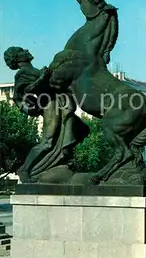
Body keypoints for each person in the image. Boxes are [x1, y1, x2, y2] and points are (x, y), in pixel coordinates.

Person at [4, 46, 88, 182]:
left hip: (58, 102)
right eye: (21, 51)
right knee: (47, 142)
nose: (26, 50)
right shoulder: (22, 73)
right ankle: (24, 170)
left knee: (82, 129)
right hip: (49, 104)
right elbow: (28, 89)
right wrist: (43, 78)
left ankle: (62, 157)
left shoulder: (34, 70)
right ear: (17, 58)